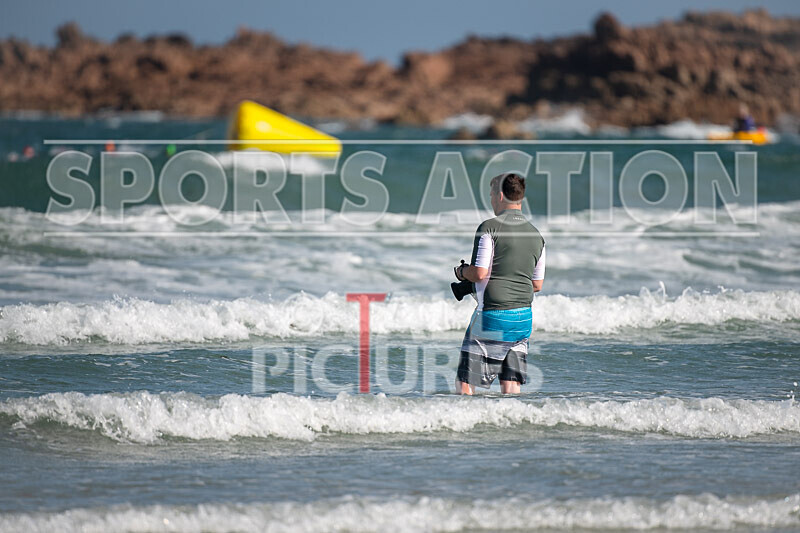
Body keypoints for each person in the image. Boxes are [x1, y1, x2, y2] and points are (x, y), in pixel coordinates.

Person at [453, 173, 545, 395]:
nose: (492, 201)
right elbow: (537, 284)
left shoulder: (489, 227)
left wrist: (462, 272)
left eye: (492, 195)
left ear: (501, 196)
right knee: (511, 384)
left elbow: (479, 273)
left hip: (492, 316)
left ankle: (464, 416)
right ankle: (510, 417)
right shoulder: (536, 235)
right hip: (523, 319)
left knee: (465, 382)